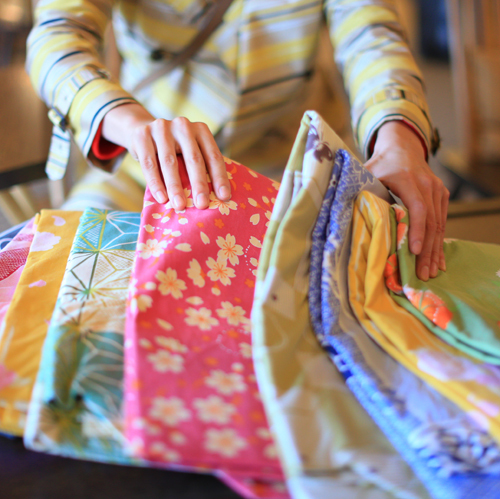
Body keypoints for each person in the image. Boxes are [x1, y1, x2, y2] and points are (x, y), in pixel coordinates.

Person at [27, 0, 448, 282]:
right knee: (65, 278)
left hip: (294, 174)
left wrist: (397, 138)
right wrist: (132, 123)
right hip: (148, 170)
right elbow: (57, 37)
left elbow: (370, 35)